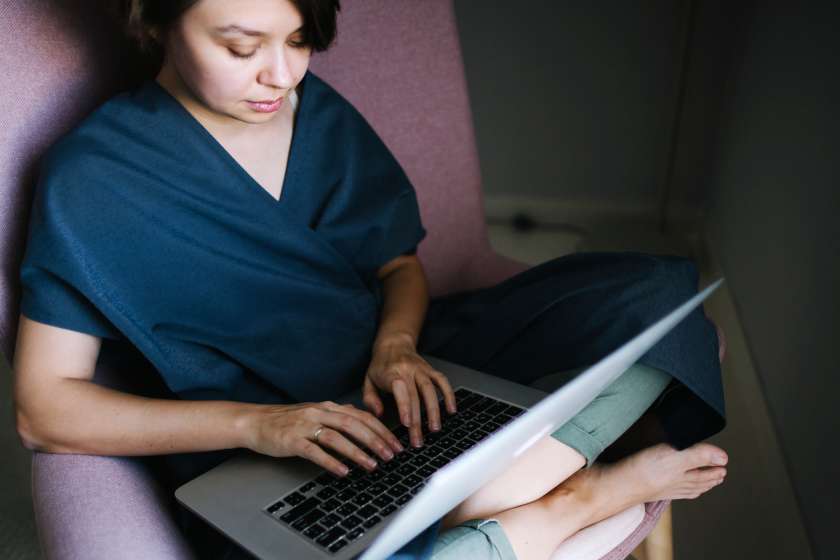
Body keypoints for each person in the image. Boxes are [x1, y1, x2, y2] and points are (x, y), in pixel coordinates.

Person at [12, 1, 729, 559]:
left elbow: (397, 265)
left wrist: (397, 347)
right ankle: (568, 500)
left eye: (297, 41)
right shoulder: (94, 178)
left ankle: (482, 505)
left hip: (406, 383)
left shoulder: (314, 112)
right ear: (158, 20)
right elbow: (44, 410)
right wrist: (261, 426)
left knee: (653, 299)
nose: (280, 75)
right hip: (267, 455)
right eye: (240, 47)